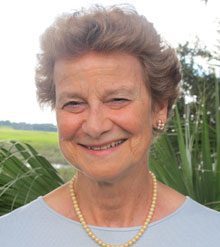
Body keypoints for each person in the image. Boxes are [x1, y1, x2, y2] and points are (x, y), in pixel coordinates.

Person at [0, 5, 220, 247]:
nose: (95, 126)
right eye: (74, 103)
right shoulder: (9, 235)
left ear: (159, 108)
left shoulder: (211, 234)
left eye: (118, 99)